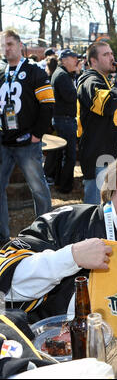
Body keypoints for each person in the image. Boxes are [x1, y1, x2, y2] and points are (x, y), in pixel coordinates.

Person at [0, 141, 117, 351]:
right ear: (115, 177)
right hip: (52, 359)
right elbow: (9, 286)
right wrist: (70, 258)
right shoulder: (66, 222)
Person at [0, 29, 54, 248]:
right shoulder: (1, 72)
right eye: (3, 45)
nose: (6, 48)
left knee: (38, 188)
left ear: (20, 45)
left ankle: (46, 235)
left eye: (10, 44)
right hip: (4, 142)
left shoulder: (34, 70)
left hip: (27, 142)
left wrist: (37, 134)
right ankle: (2, 237)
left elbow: (48, 103)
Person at [77, 40, 117, 204]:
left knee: (111, 205)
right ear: (93, 61)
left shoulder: (104, 79)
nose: (112, 57)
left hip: (110, 154)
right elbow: (108, 105)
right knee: (96, 209)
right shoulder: (90, 81)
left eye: (111, 53)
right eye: (106, 54)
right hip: (99, 156)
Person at [44, 49, 79, 194]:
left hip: (61, 119)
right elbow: (71, 96)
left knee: (61, 154)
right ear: (64, 60)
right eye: (73, 58)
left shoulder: (61, 73)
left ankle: (60, 182)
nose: (76, 60)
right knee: (69, 155)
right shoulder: (62, 75)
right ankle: (65, 186)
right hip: (64, 119)